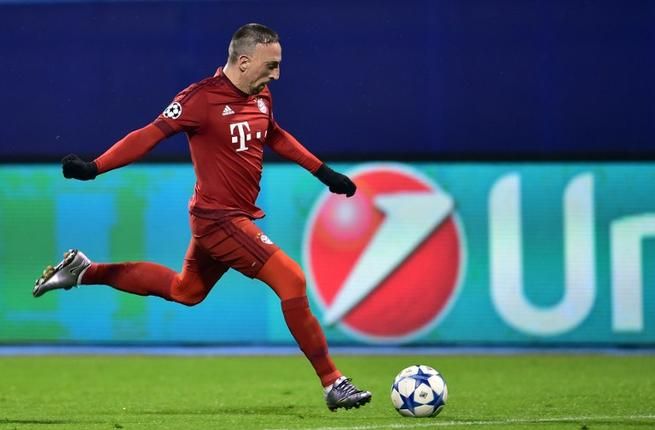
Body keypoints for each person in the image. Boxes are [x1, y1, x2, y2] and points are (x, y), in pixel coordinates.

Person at [33, 23, 371, 411]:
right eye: (271, 65)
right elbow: (148, 135)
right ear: (243, 62)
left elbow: (274, 134)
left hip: (228, 217)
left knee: (186, 291)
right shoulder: (200, 99)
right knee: (291, 279)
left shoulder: (261, 94)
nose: (277, 74)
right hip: (219, 219)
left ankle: (84, 271)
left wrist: (323, 173)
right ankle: (333, 382)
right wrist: (95, 167)